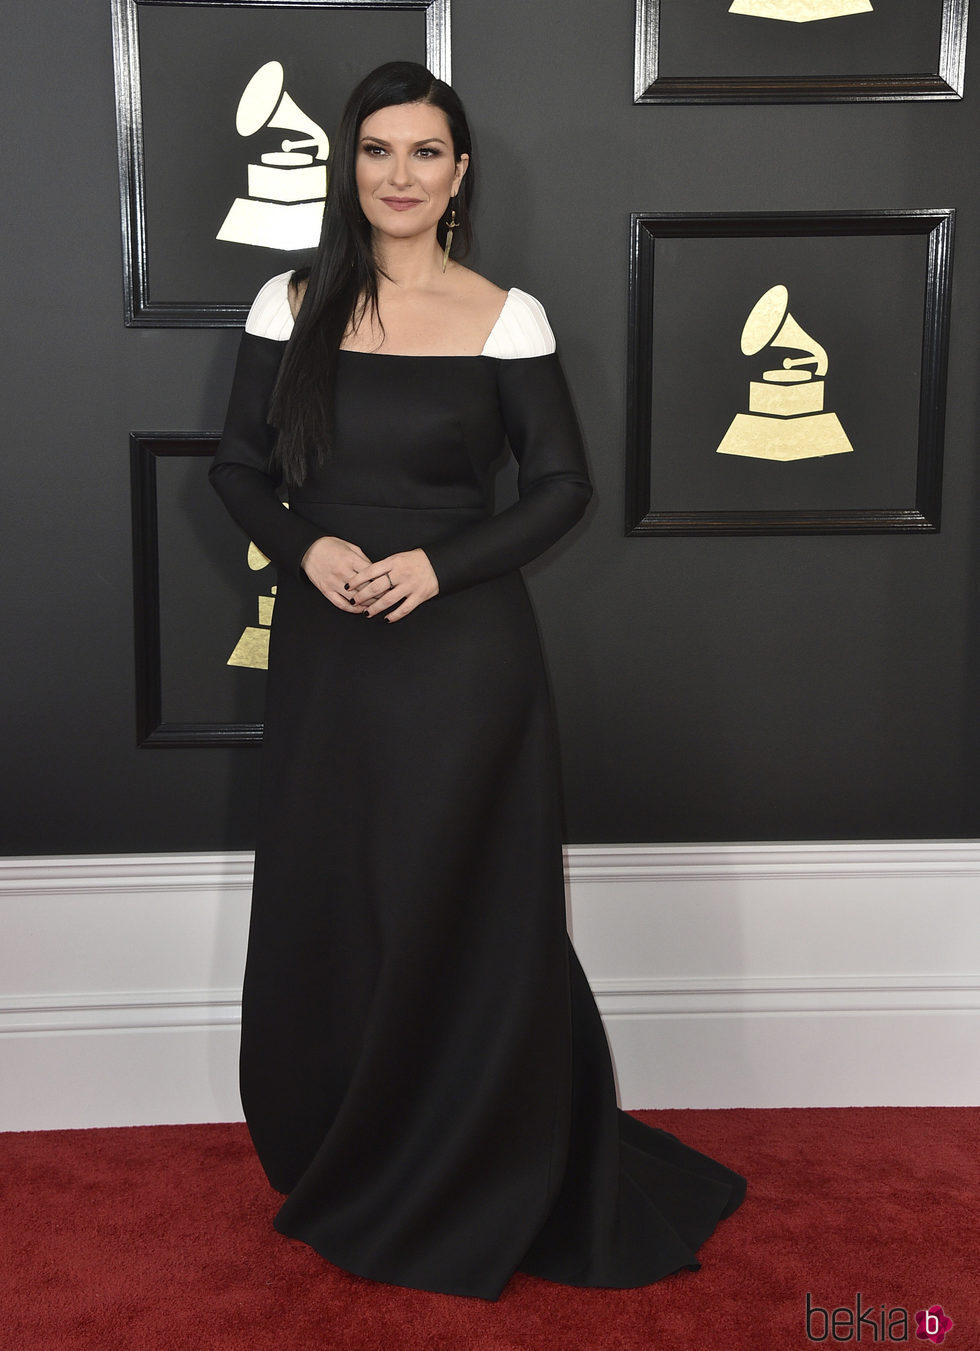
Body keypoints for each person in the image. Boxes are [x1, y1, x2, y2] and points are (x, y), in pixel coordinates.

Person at [210, 59, 746, 1302]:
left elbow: (562, 488)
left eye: (425, 152)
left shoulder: (508, 316)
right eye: (378, 150)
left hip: (462, 662)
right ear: (351, 168)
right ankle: (349, 1141)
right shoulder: (286, 302)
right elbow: (235, 468)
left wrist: (433, 568)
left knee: (459, 900)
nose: (398, 174)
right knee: (339, 894)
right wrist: (311, 544)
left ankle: (479, 1157)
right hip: (330, 649)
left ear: (459, 174)